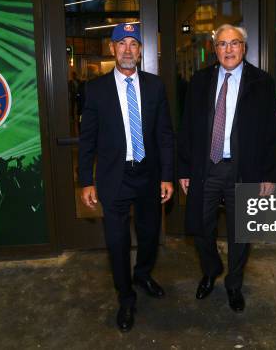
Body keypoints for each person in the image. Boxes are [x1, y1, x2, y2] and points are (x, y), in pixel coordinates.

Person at [177, 24, 276, 312]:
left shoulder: (262, 83)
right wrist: (184, 169)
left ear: (244, 48)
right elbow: (186, 127)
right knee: (200, 228)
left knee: (240, 232)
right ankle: (211, 270)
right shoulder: (199, 81)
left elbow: (273, 132)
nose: (228, 49)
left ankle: (233, 284)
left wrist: (270, 174)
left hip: (244, 169)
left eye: (234, 43)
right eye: (222, 44)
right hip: (206, 168)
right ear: (215, 50)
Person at [79, 23, 174, 332]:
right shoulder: (95, 89)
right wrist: (86, 180)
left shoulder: (156, 86)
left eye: (134, 43)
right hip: (114, 178)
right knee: (117, 242)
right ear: (112, 48)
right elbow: (87, 140)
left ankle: (143, 274)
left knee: (149, 235)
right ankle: (126, 297)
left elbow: (164, 135)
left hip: (149, 176)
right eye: (122, 43)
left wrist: (168, 176)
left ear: (140, 50)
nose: (128, 49)